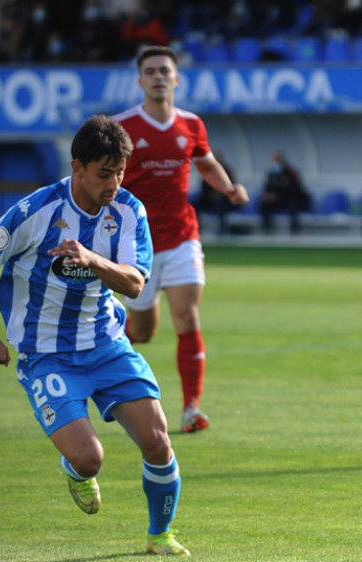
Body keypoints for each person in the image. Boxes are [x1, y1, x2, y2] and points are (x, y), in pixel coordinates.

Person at [0, 114, 189, 557]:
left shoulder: (128, 211)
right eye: (104, 173)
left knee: (158, 439)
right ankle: (76, 466)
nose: (114, 183)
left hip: (105, 344)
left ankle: (160, 535)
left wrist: (92, 260)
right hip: (46, 354)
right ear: (77, 168)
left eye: (121, 172)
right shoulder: (37, 210)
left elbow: (135, 283)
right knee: (90, 458)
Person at [113, 46, 249, 433]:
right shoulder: (123, 127)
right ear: (140, 80)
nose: (158, 76)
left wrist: (228, 189)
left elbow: (205, 162)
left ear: (176, 79)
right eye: (150, 71)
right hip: (136, 245)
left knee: (188, 317)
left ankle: (191, 408)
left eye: (164, 71)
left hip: (182, 237)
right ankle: (100, 366)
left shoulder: (191, 124)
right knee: (142, 332)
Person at [259, 150, 312, 234]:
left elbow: (296, 190)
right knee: (264, 205)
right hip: (277, 201)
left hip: (291, 199)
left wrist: (278, 196)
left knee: (293, 206)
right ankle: (267, 229)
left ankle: (294, 231)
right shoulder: (271, 174)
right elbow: (267, 188)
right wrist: (267, 195)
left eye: (276, 160)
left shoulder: (291, 172)